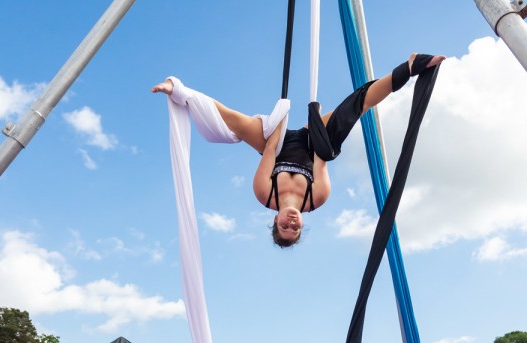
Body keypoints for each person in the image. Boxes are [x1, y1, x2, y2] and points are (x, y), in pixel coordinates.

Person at [152, 53, 445, 247]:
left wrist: (281, 115)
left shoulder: (264, 194)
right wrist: (315, 121)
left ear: (275, 221)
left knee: (234, 121)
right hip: (312, 144)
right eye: (296, 229)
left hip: (275, 145)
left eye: (285, 227)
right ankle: (410, 67)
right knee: (356, 106)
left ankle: (177, 89)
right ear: (302, 225)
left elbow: (269, 152)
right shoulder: (317, 197)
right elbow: (321, 157)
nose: (291, 224)